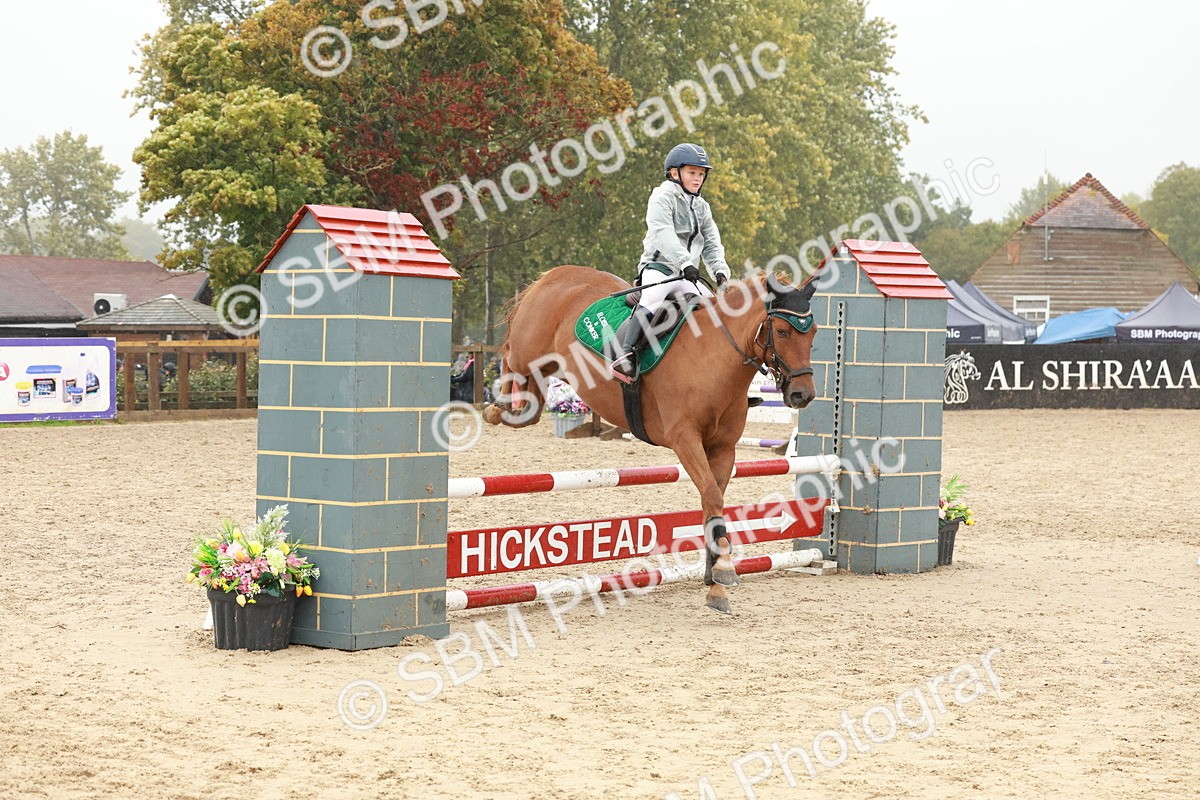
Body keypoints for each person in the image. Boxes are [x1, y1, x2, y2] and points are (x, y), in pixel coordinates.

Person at [609, 142, 731, 383]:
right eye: (692, 173)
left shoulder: (702, 207)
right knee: (652, 300)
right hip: (659, 269)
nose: (697, 179)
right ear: (675, 173)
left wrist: (720, 272)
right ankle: (626, 356)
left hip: (687, 275)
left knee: (715, 310)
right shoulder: (661, 197)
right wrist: (685, 262)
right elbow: (663, 233)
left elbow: (711, 243)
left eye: (701, 174)